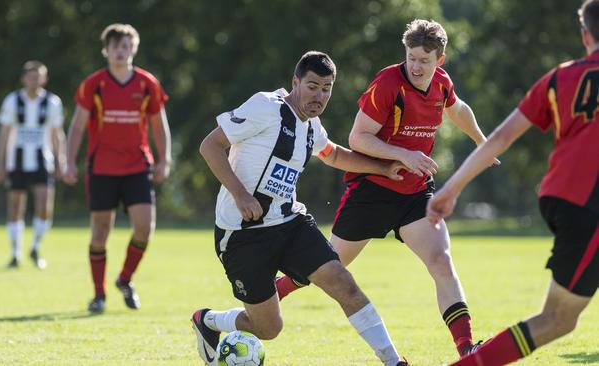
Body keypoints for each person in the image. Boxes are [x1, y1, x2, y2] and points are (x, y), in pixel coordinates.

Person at [275, 19, 497, 356]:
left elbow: (458, 109)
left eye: (424, 60)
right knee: (325, 269)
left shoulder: (441, 82)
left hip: (415, 194)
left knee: (441, 261)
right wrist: (404, 154)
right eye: (411, 57)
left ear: (440, 59)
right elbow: (357, 138)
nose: (416, 66)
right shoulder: (388, 83)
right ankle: (267, 296)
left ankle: (466, 348)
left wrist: (482, 141)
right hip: (372, 192)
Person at [193, 51, 410, 366]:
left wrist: (382, 168)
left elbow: (332, 154)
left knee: (343, 283)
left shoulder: (312, 126)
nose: (319, 95)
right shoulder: (266, 107)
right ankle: (210, 320)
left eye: (326, 88)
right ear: (295, 82)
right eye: (312, 86)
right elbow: (209, 146)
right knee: (269, 328)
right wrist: (241, 195)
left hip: (290, 224)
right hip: (242, 234)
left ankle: (393, 362)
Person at [426, 1, 599, 365]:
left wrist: (452, 187)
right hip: (590, 204)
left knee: (558, 319)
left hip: (561, 196)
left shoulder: (558, 77)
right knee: (557, 319)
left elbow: (502, 136)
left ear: (585, 35)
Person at [63, 23, 172, 313]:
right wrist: (68, 160)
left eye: (126, 46)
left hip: (137, 165)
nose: (120, 51)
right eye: (115, 46)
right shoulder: (94, 84)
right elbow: (76, 125)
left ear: (133, 49)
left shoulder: (147, 83)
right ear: (106, 50)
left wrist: (164, 159)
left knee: (144, 228)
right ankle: (98, 295)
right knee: (100, 232)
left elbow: (159, 125)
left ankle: (125, 279)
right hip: (102, 168)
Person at [0, 60, 65, 270]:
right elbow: (4, 133)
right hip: (16, 160)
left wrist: (61, 160)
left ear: (44, 79)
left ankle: (35, 247)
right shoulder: (13, 101)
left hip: (42, 160)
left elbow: (57, 134)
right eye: (31, 77)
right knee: (15, 206)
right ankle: (15, 253)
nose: (34, 81)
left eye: (39, 77)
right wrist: (0, 163)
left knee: (44, 205)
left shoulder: (52, 102)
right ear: (24, 79)